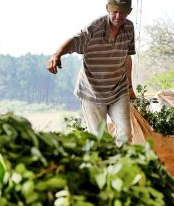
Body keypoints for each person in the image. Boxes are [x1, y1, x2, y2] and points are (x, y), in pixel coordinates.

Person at [46, 0, 136, 145]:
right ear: (107, 9)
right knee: (100, 139)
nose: (118, 16)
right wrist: (57, 55)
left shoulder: (129, 28)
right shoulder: (95, 27)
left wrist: (130, 87)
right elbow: (74, 40)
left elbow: (127, 57)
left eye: (123, 12)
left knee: (125, 134)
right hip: (92, 91)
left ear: (129, 11)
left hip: (118, 89)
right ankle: (104, 166)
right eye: (115, 11)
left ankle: (122, 165)